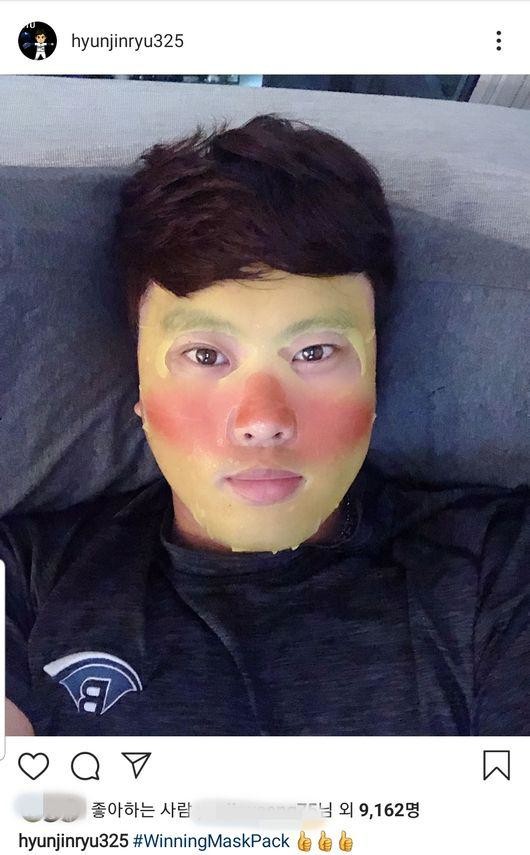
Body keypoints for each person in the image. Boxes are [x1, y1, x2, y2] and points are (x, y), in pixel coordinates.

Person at [3, 115, 529, 736]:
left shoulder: (496, 567)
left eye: (315, 353)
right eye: (205, 356)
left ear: (375, 382)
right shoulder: (25, 578)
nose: (263, 422)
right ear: (140, 392)